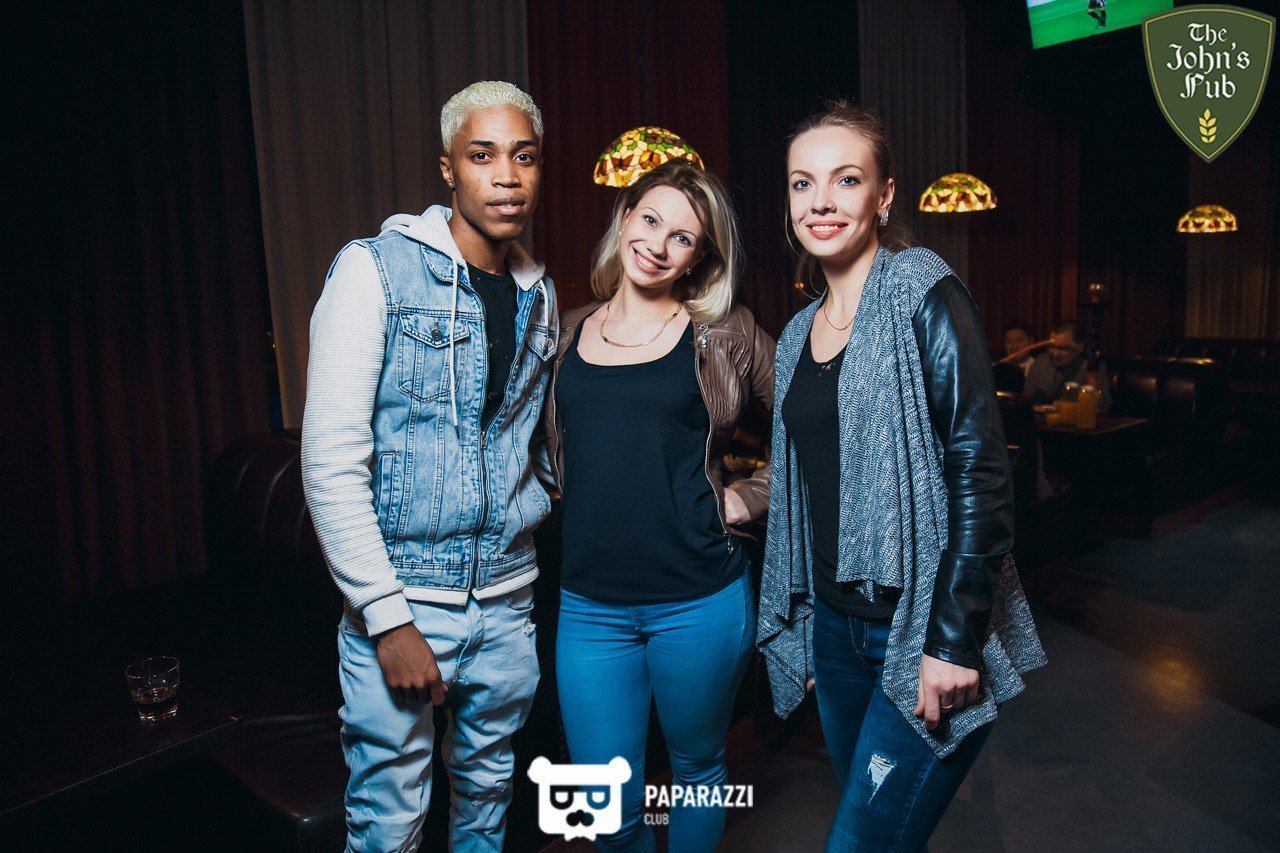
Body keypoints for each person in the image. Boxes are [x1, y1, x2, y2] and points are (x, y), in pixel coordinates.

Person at [756, 101, 1046, 851]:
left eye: (846, 179)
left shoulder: (924, 290)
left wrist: (953, 638)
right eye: (802, 183)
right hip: (835, 631)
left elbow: (980, 471)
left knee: (858, 842)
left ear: (884, 195)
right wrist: (812, 629)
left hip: (916, 628)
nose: (821, 201)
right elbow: (803, 493)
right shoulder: (796, 333)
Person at [300, 81, 555, 851]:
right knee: (390, 827)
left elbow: (529, 442)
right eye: (482, 155)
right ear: (448, 169)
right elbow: (331, 462)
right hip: (408, 602)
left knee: (487, 807)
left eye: (524, 157)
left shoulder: (540, 294)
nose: (506, 176)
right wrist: (388, 618)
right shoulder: (374, 271)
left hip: (508, 603)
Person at [544, 158, 774, 852]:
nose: (658, 244)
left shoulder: (726, 332)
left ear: (698, 258)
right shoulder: (564, 332)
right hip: (589, 605)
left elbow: (819, 422)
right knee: (606, 811)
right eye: (650, 219)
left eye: (682, 237)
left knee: (698, 769)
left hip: (699, 600)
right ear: (624, 218)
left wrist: (751, 496)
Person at [1023, 320, 1112, 411]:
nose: (1055, 353)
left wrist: (1092, 382)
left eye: (1063, 348)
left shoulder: (1091, 365)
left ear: (1080, 347)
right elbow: (1027, 400)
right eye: (1052, 347)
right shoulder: (1041, 362)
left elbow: (1104, 404)